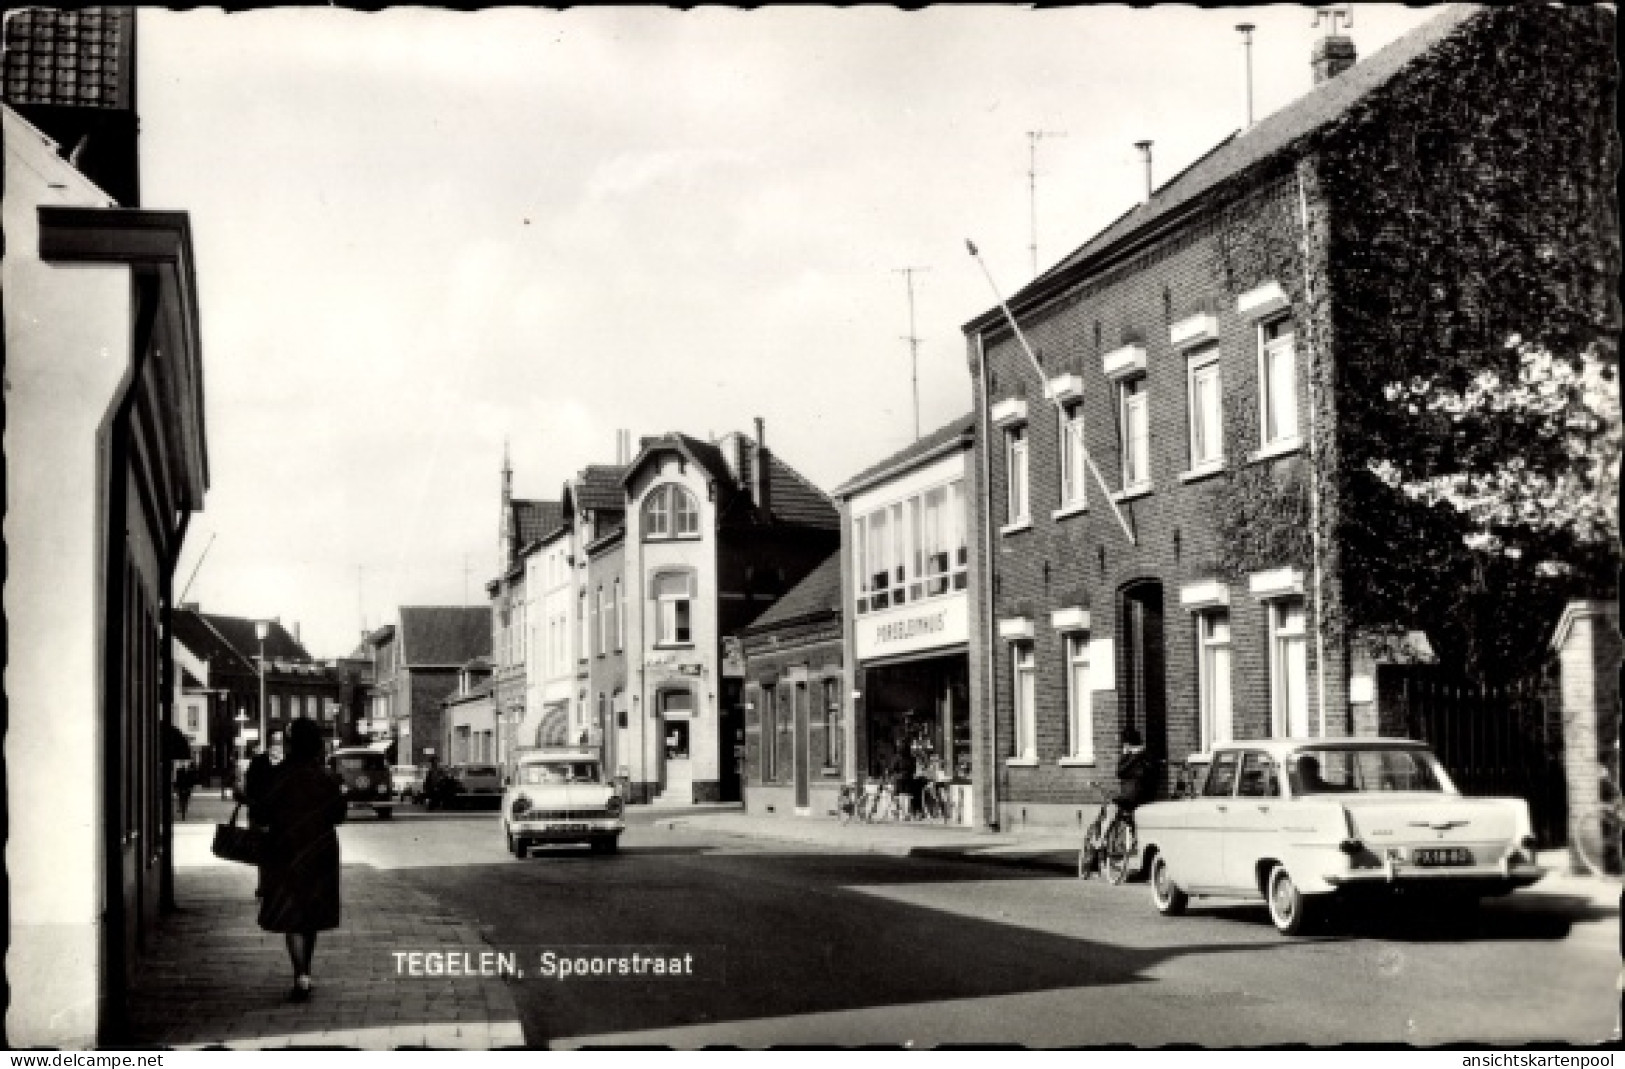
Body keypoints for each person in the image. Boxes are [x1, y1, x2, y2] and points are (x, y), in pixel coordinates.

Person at [256, 718, 345, 1002]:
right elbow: (339, 815)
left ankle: (300, 974)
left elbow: (261, 814)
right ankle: (306, 970)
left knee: (291, 912)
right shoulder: (326, 776)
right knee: (311, 912)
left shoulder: (278, 775)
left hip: (286, 849)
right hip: (320, 850)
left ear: (291, 743)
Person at [1082, 727, 1159, 878]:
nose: (1124, 748)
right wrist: (1133, 756)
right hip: (1136, 797)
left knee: (1112, 809)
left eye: (1124, 744)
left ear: (1128, 744)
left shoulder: (1139, 757)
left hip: (1134, 798)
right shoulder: (1138, 757)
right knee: (1114, 810)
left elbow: (1124, 772)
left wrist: (1134, 756)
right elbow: (1124, 772)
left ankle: (1101, 841)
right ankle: (1103, 842)